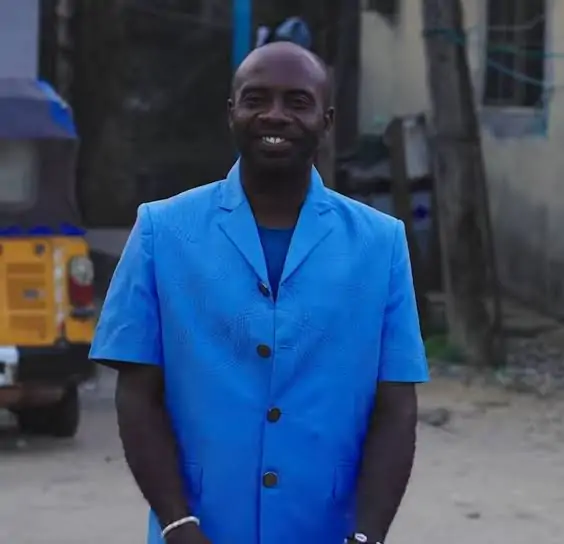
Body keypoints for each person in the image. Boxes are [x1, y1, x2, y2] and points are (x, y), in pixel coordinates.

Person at [90, 41, 429, 544]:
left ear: (327, 120)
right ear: (231, 112)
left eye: (297, 101)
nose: (275, 115)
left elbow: (397, 405)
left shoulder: (381, 243)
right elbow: (137, 395)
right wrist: (177, 524)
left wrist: (367, 537)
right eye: (256, 99)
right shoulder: (162, 230)